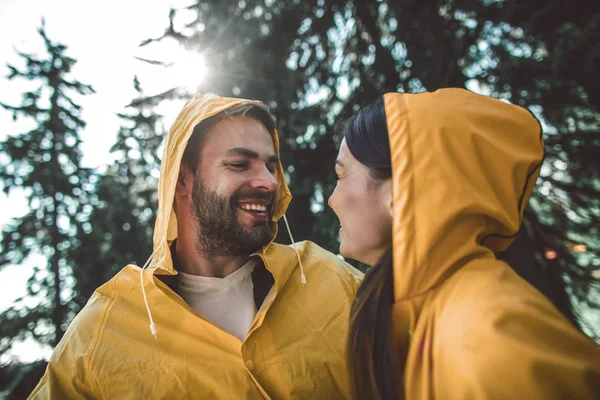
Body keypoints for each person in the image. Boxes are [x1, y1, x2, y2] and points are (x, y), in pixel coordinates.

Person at [30, 93, 363, 399]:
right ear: (183, 181)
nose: (270, 181)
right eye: (239, 164)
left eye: (271, 165)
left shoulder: (333, 280)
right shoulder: (103, 328)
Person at [328, 88, 600, 399]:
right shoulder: (413, 313)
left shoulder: (492, 340)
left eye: (341, 175)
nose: (331, 200)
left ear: (397, 192)